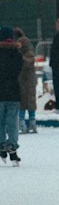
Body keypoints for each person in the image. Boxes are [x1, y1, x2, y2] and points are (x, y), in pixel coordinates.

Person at [0, 26, 23, 165]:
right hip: (13, 92)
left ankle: (1, 145)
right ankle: (12, 146)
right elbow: (18, 71)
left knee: (0, 122)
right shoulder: (17, 54)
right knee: (12, 122)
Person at [15, 28, 37, 134]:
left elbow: (29, 62)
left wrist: (21, 59)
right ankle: (30, 121)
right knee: (27, 100)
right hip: (26, 79)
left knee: (25, 100)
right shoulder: (27, 47)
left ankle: (23, 121)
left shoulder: (25, 49)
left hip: (26, 79)